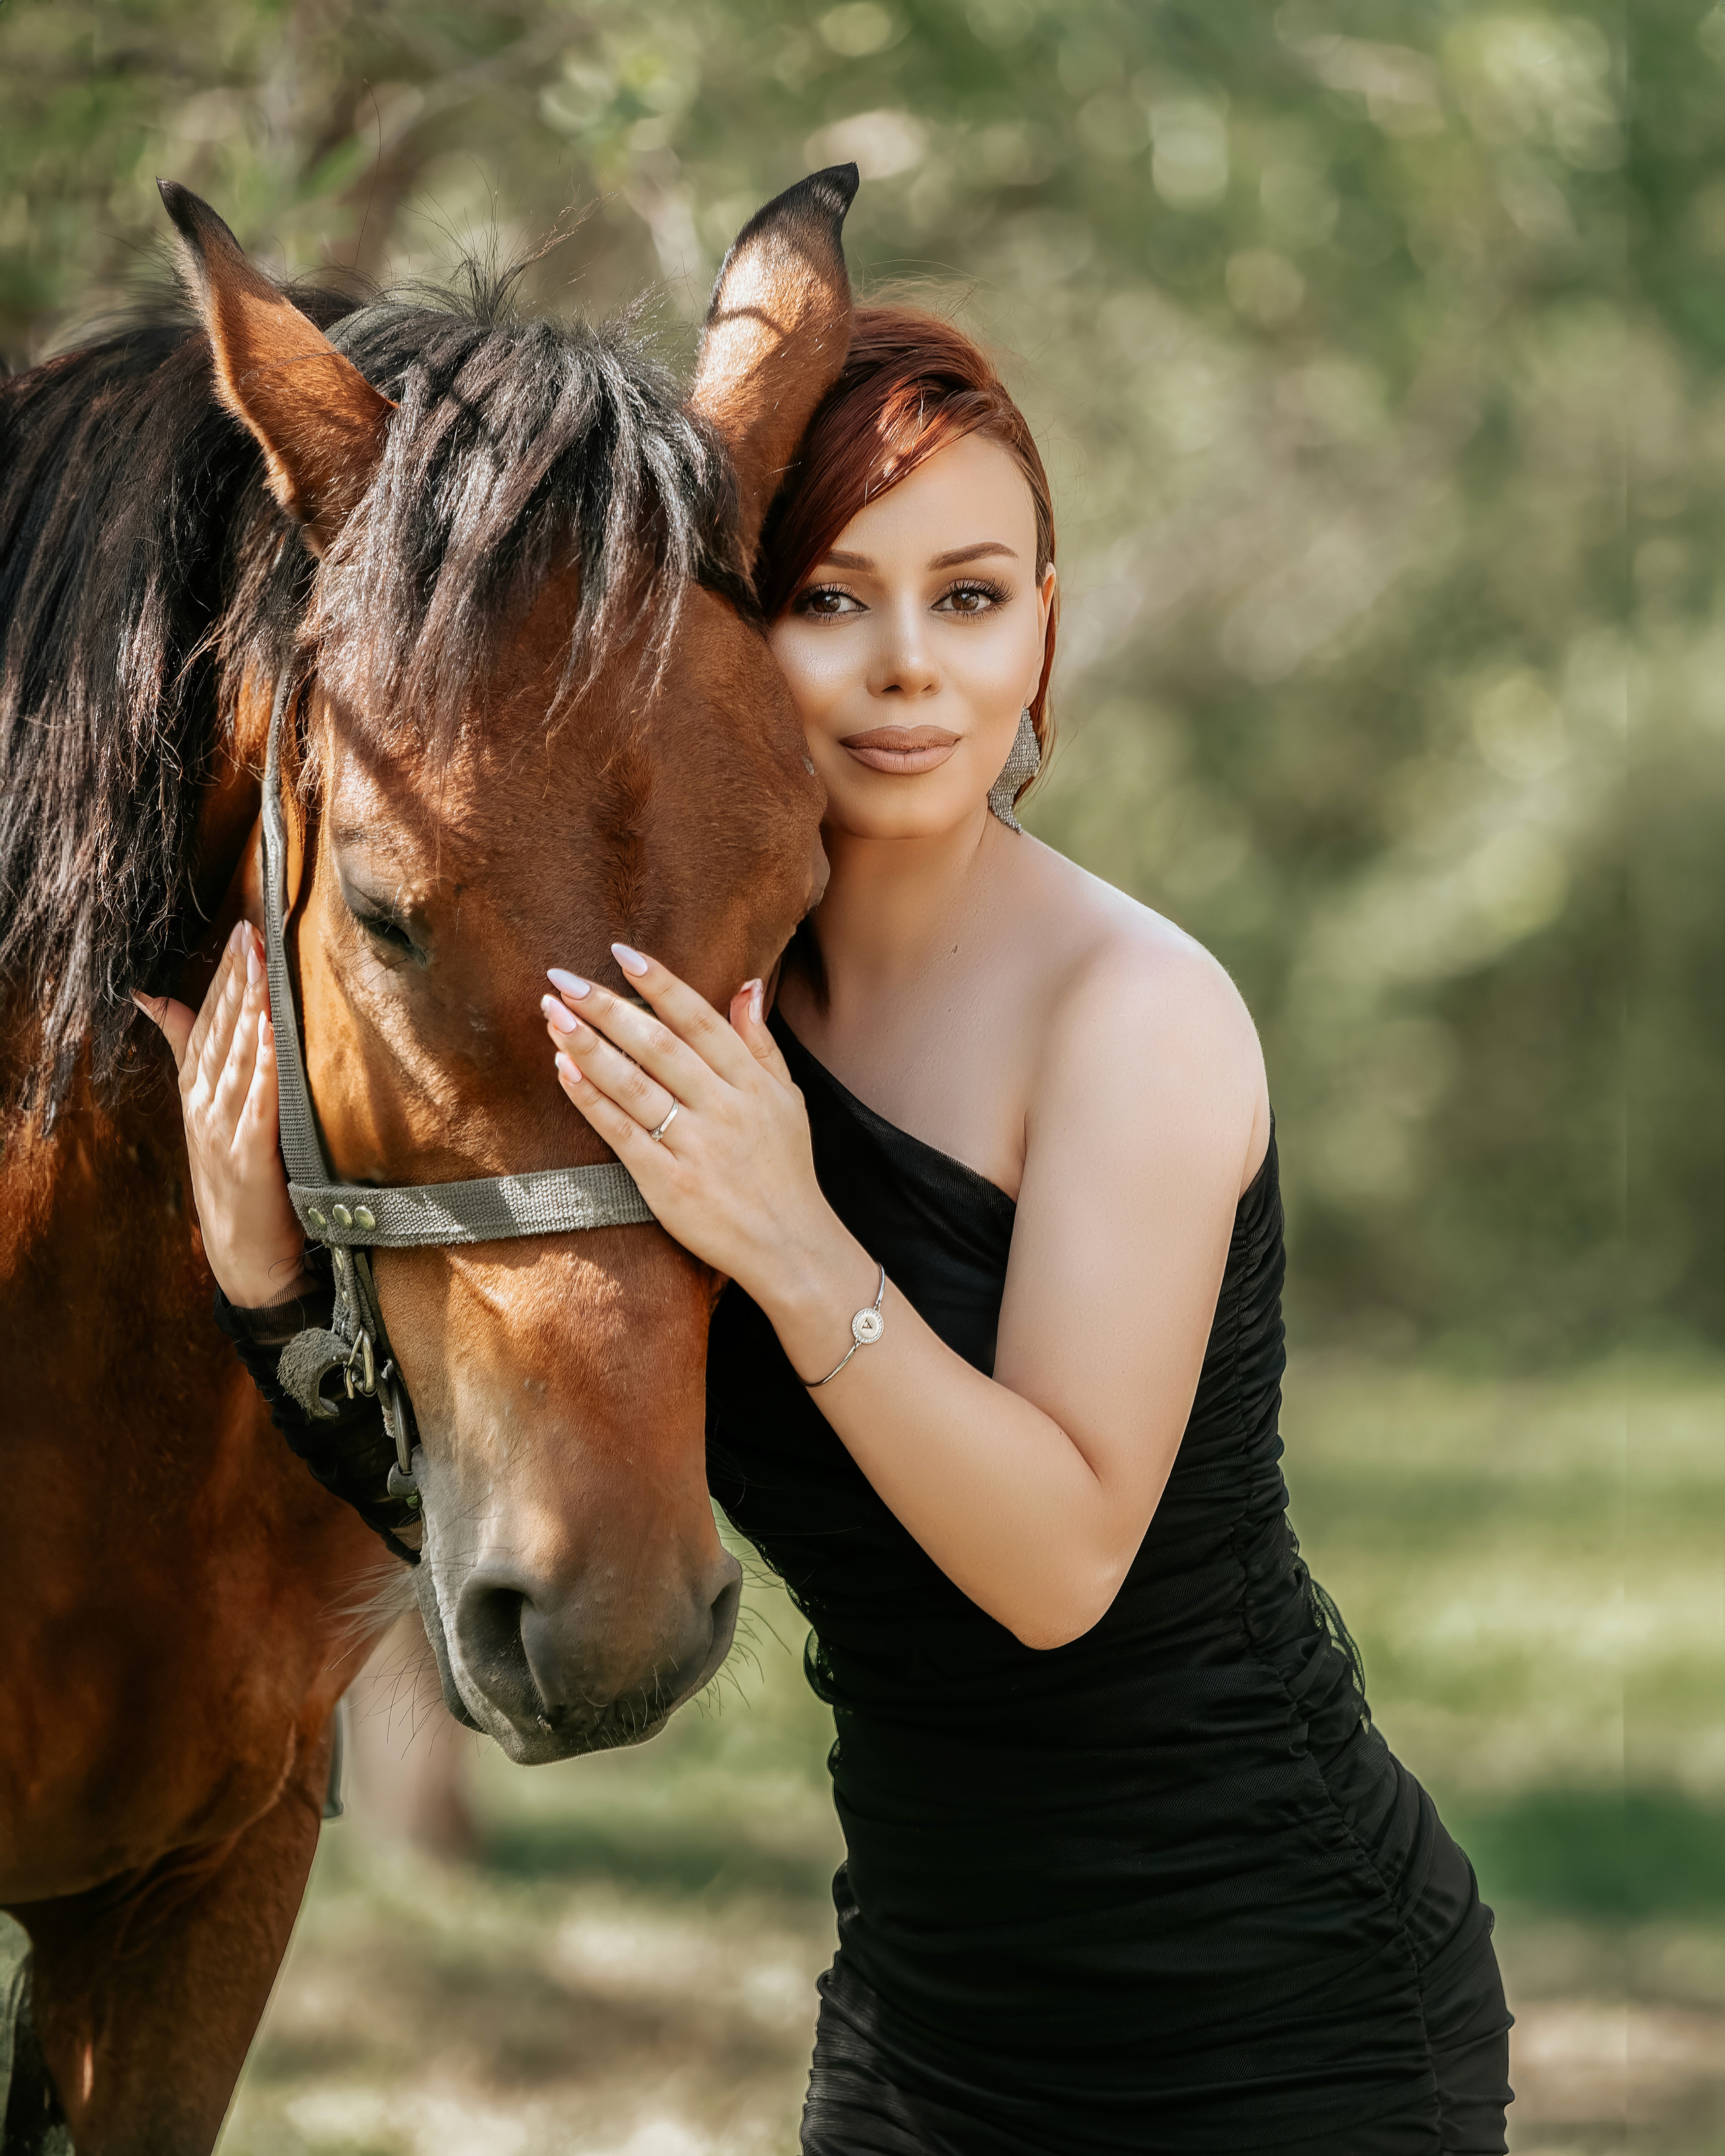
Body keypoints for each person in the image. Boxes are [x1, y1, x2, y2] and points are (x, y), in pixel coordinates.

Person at [146, 307, 1513, 2154]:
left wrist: (794, 1241)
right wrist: (258, 1270)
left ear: (1047, 626)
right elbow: (516, 1500)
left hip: (1277, 2013)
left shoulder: (1134, 1014)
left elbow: (1062, 1567)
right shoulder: (717, 1022)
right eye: (832, 603)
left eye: (969, 599)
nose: (904, 674)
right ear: (725, 638)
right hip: (921, 2030)